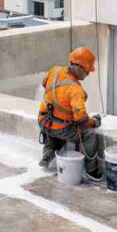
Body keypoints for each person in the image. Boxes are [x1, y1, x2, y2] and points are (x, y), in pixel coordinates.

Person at [37, 46, 102, 182]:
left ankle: (47, 156)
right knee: (88, 134)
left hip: (44, 120)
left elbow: (45, 84)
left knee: (55, 136)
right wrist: (94, 122)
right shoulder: (75, 89)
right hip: (59, 127)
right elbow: (81, 119)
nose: (88, 74)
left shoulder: (54, 70)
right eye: (87, 70)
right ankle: (92, 170)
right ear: (78, 67)